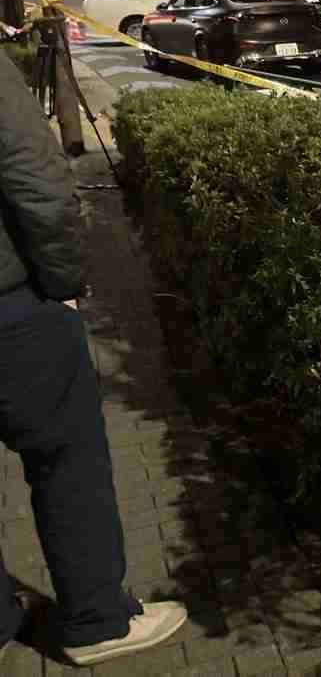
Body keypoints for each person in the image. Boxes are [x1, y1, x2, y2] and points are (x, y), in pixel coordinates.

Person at [0, 56, 187, 665]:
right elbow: (37, 181)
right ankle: (97, 619)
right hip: (10, 305)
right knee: (66, 458)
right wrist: (64, 281)